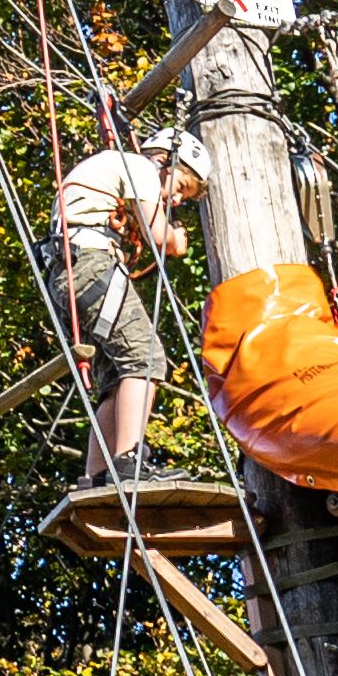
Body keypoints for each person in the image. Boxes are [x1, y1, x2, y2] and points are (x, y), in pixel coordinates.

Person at [51, 132, 206, 483]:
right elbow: (158, 234)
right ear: (165, 161)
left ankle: (96, 475)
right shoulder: (139, 167)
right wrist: (176, 239)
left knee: (117, 379)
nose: (178, 199)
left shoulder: (117, 169)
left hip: (70, 272)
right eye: (181, 186)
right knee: (146, 358)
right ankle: (129, 461)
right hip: (92, 265)